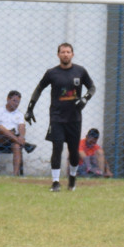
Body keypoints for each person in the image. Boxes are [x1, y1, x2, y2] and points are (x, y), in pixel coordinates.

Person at [26, 43, 95, 191]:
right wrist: (30, 109)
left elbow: (92, 87)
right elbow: (38, 89)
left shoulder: (80, 71)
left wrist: (85, 99)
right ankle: (55, 182)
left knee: (73, 151)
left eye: (68, 52)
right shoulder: (52, 73)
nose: (65, 54)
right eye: (62, 52)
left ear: (72, 54)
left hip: (74, 118)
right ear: (58, 55)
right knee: (57, 148)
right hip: (57, 117)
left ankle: (72, 179)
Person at [0, 90, 34, 176]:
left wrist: (22, 136)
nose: (16, 104)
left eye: (18, 102)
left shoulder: (19, 114)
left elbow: (22, 127)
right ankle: (24, 144)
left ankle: (15, 175)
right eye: (14, 101)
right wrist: (0, 131)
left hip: (13, 140)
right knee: (1, 127)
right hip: (0, 138)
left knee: (17, 146)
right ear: (8, 99)